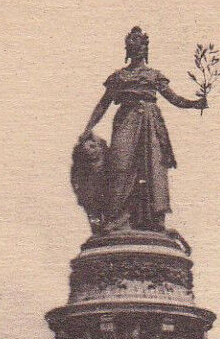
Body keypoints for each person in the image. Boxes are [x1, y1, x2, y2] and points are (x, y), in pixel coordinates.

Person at [81, 26, 207, 233]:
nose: (137, 49)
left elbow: (173, 99)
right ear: (127, 50)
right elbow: (103, 104)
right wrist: (88, 127)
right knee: (119, 166)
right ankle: (115, 219)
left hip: (150, 123)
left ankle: (153, 220)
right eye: (132, 45)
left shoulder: (154, 76)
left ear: (145, 49)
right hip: (126, 120)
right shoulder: (119, 77)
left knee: (153, 168)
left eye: (140, 45)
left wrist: (195, 103)